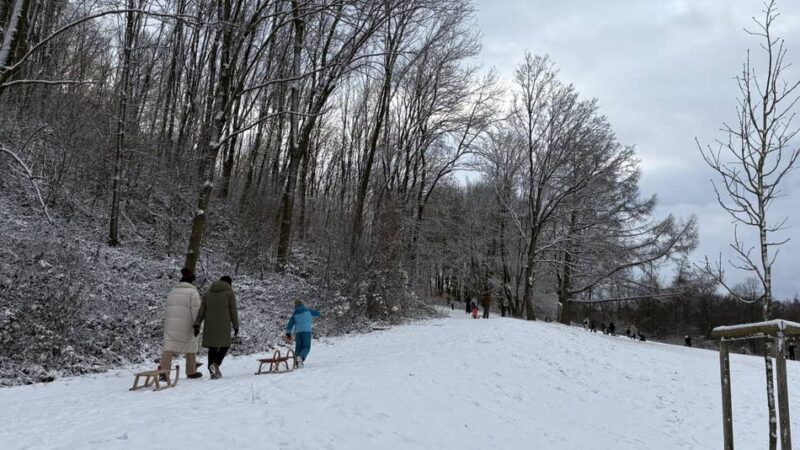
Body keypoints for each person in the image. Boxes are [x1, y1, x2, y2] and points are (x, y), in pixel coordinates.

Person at [160, 268, 203, 380]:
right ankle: (191, 371)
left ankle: (164, 373)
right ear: (191, 281)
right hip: (186, 324)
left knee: (168, 347)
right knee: (191, 346)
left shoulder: (172, 292)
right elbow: (196, 310)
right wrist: (197, 324)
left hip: (171, 324)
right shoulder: (192, 292)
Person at [194, 276, 239, 380]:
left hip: (209, 324)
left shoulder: (208, 294)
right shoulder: (229, 293)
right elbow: (233, 311)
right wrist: (236, 325)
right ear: (229, 283)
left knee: (212, 347)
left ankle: (212, 372)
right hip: (224, 325)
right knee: (225, 345)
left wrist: (197, 324)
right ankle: (215, 364)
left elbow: (201, 311)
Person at [285, 300, 321, 367]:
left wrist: (288, 333)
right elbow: (318, 313)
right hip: (306, 332)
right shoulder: (308, 311)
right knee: (306, 347)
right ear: (302, 304)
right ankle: (301, 357)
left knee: (298, 347)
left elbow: (290, 324)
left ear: (295, 306)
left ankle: (296, 363)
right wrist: (318, 312)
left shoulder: (295, 314)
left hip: (298, 333)